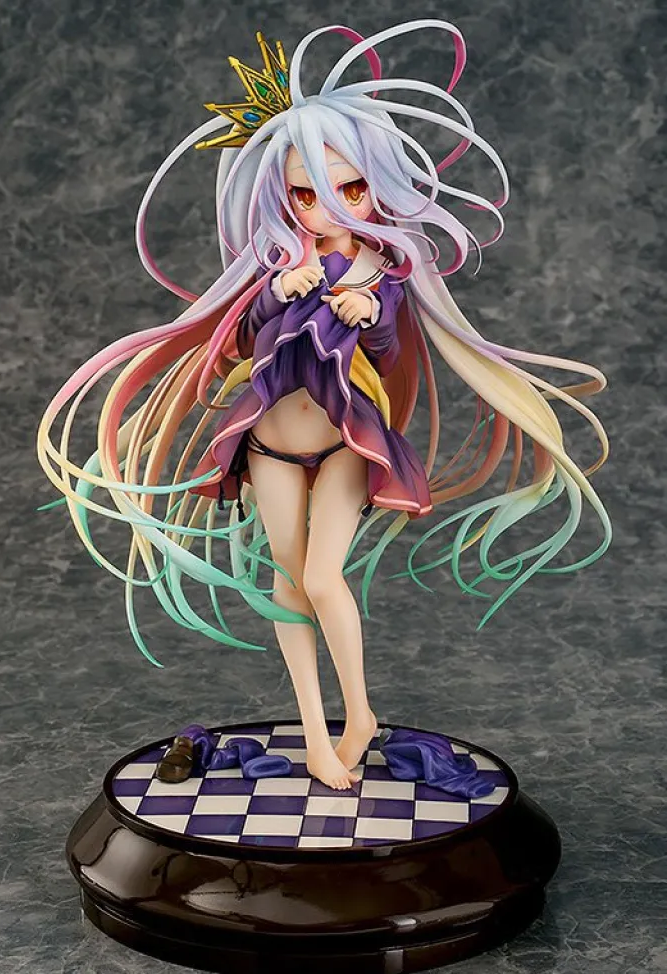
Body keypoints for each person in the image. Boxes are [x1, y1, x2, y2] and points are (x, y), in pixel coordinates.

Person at [37, 20, 611, 790]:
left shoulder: (384, 270)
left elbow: (389, 352)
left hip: (344, 445)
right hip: (269, 445)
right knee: (287, 582)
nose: (326, 208)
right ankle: (315, 732)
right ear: (282, 195)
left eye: (349, 188)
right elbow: (237, 346)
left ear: (376, 184)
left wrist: (369, 313)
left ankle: (360, 714)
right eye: (305, 194)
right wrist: (279, 290)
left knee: (322, 577)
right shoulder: (272, 263)